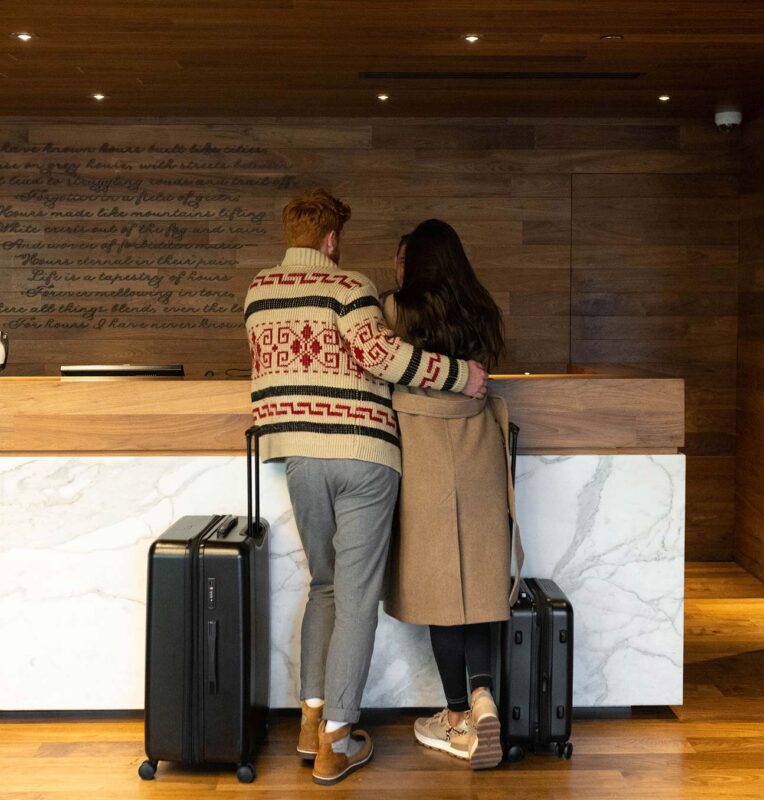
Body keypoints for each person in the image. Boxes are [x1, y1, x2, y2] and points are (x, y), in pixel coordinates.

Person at [243, 190, 488, 786]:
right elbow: (385, 356)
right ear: (331, 240)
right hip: (364, 456)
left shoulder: (255, 293)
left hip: (298, 456)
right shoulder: (348, 287)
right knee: (355, 598)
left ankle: (309, 720)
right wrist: (463, 374)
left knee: (322, 586)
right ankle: (337, 741)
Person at [382, 218, 524, 770]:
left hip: (423, 458)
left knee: (444, 587)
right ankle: (485, 694)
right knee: (478, 584)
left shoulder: (395, 311)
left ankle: (458, 715)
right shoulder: (483, 312)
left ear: (414, 263)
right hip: (478, 453)